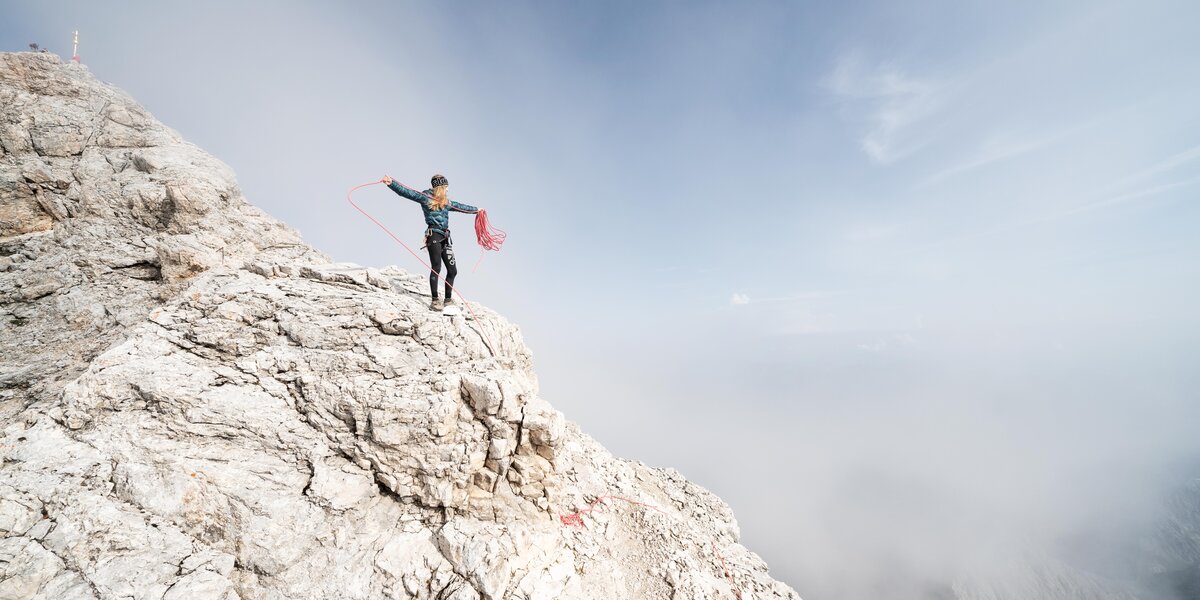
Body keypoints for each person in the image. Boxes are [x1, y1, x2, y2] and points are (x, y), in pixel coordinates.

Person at [382, 173, 480, 310]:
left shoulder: (446, 203)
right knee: (437, 267)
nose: (448, 190)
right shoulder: (425, 197)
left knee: (452, 270)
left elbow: (461, 207)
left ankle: (448, 300)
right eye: (446, 187)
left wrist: (477, 210)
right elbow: (407, 193)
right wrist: (392, 183)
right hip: (433, 235)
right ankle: (435, 301)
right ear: (440, 187)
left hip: (445, 238)